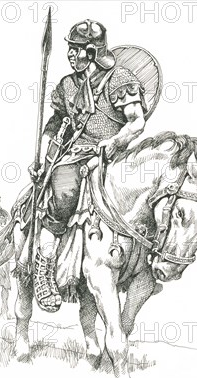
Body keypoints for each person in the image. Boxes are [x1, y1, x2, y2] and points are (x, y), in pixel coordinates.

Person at [27, 20, 148, 312]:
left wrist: (117, 142)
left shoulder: (120, 79)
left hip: (114, 155)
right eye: (70, 48)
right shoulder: (67, 84)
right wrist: (42, 157)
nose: (70, 54)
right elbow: (54, 124)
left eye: (76, 49)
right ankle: (44, 271)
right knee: (63, 194)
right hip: (75, 155)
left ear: (92, 51)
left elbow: (136, 121)